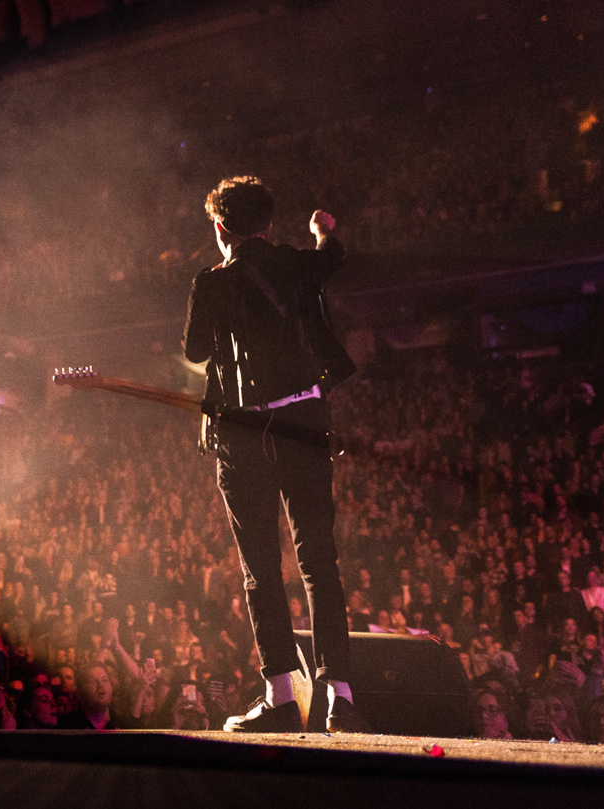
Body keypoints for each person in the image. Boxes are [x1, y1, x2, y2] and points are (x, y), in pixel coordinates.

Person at [182, 175, 364, 734]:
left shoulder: (211, 283)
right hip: (306, 421)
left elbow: (193, 354)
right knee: (318, 561)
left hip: (246, 432)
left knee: (261, 567)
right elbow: (330, 256)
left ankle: (283, 696)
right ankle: (340, 697)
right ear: (266, 225)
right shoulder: (297, 263)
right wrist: (322, 232)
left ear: (220, 229)